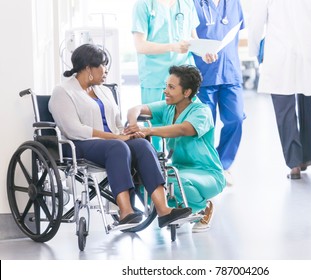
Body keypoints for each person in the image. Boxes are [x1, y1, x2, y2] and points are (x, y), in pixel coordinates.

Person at [48, 44, 192, 228]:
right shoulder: (63, 91)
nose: (106, 70)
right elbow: (73, 129)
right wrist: (115, 138)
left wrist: (129, 133)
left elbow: (116, 123)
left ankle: (164, 210)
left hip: (112, 143)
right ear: (87, 68)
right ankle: (125, 212)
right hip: (80, 144)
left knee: (141, 144)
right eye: (102, 65)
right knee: (118, 147)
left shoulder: (104, 90)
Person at [126, 65, 226, 232]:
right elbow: (135, 109)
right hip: (179, 169)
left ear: (187, 92)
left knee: (174, 182)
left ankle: (203, 207)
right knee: (147, 183)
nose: (165, 91)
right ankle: (179, 210)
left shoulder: (202, 111)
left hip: (207, 172)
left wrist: (149, 130)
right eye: (166, 85)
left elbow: (183, 129)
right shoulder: (169, 106)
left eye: (171, 87)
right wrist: (133, 125)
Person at [248, 0, 311, 179]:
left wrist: (254, 50)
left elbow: (256, 23)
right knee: (306, 106)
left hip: (279, 54)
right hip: (307, 54)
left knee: (284, 110)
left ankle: (294, 164)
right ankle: (306, 158)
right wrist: (307, 36)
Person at [132, 0, 200, 151]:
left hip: (185, 78)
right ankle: (157, 170)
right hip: (155, 78)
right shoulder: (144, 5)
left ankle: (184, 168)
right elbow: (140, 45)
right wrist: (172, 47)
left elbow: (193, 39)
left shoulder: (186, 3)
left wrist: (204, 50)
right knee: (156, 129)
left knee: (187, 124)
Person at [192, 0, 246, 186]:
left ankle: (223, 165)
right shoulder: (194, 4)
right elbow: (189, 38)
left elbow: (236, 32)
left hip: (231, 72)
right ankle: (208, 167)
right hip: (203, 74)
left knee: (237, 118)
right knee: (206, 125)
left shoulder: (233, 3)